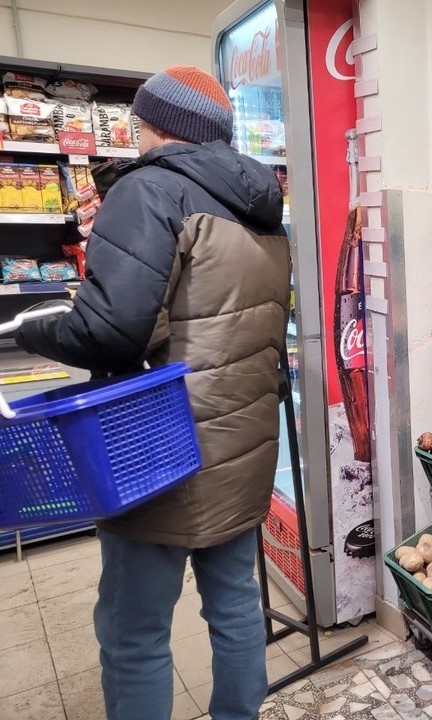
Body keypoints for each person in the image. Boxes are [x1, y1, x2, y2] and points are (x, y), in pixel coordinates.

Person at [16, 65, 291, 720]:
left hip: (157, 446)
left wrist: (34, 328)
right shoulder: (263, 206)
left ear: (157, 126)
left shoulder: (149, 191)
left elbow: (110, 330)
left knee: (134, 631)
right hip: (243, 442)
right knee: (235, 606)